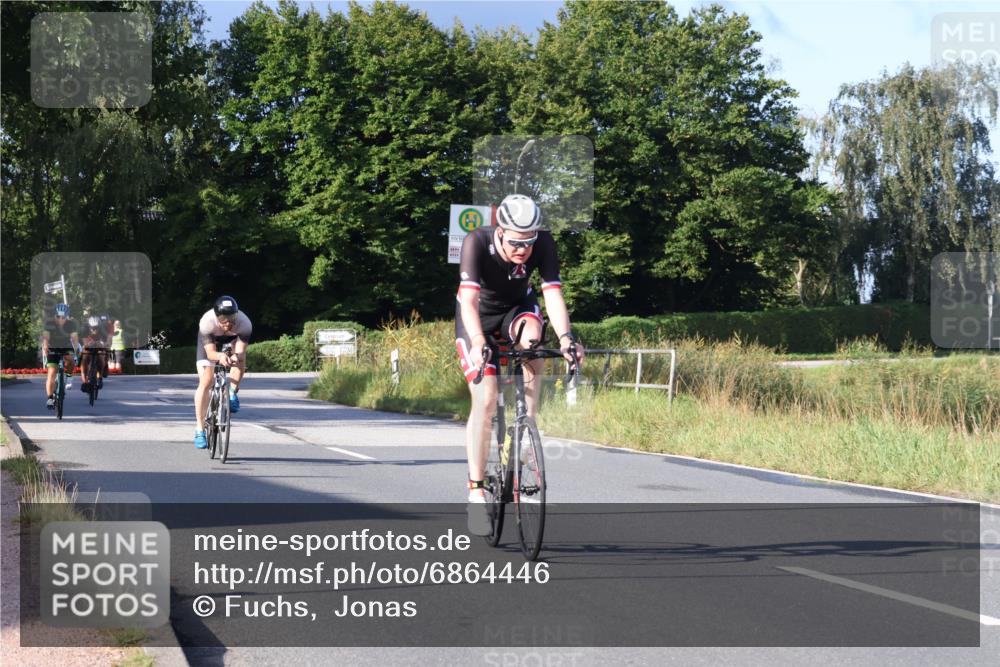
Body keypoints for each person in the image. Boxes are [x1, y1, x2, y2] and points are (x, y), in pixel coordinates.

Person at [455, 194, 584, 535]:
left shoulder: (543, 243)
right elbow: (467, 300)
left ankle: (529, 425)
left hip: (516, 311)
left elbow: (552, 292)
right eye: (515, 242)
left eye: (529, 242)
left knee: (534, 344)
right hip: (476, 318)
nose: (523, 250)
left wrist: (567, 337)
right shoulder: (476, 241)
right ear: (500, 231)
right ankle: (476, 492)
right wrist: (480, 341)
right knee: (485, 400)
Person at [193, 296, 252, 449]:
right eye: (223, 318)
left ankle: (232, 392)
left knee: (241, 359)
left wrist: (235, 356)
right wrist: (220, 356)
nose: (227, 322)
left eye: (231, 318)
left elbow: (240, 352)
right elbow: (211, 354)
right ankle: (200, 429)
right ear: (216, 316)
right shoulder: (207, 322)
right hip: (210, 342)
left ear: (236, 314)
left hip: (232, 341)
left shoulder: (244, 324)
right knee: (207, 380)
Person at [41, 303, 80, 409]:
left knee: (71, 360)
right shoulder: (49, 323)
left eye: (64, 317)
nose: (61, 319)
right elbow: (46, 337)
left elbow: (74, 338)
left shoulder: (71, 324)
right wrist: (45, 346)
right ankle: (49, 398)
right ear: (54, 316)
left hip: (65, 346)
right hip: (52, 346)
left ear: (67, 316)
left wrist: (76, 349)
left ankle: (69, 377)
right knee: (52, 372)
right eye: (58, 317)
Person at [79, 316, 108, 393]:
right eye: (92, 328)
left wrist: (102, 345)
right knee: (84, 358)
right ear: (89, 326)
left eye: (96, 328)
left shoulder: (103, 330)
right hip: (88, 344)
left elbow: (105, 343)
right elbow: (82, 342)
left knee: (102, 356)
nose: (94, 330)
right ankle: (84, 381)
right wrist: (86, 344)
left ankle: (100, 377)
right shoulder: (84, 330)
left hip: (98, 345)